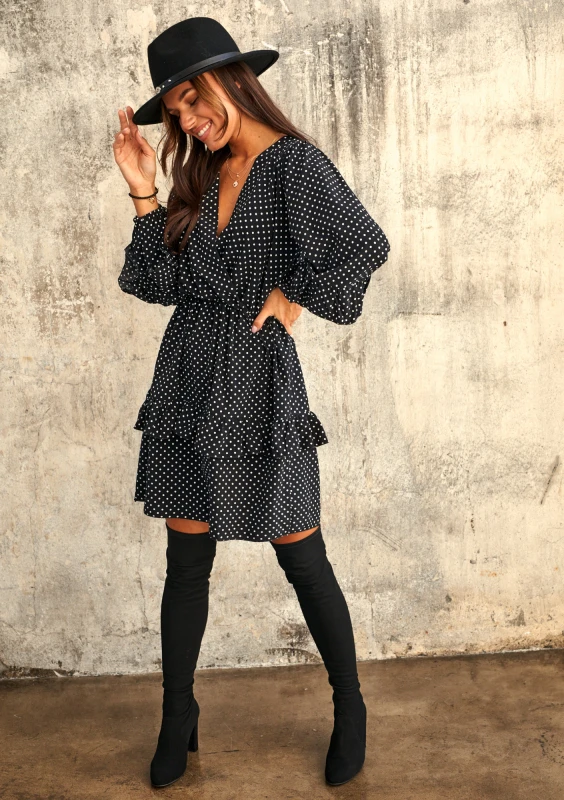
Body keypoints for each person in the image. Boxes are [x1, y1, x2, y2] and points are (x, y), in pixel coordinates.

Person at [112, 16, 390, 791]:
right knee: (186, 564)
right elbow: (155, 283)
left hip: (259, 378)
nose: (187, 123)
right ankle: (177, 715)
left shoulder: (292, 164)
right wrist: (142, 189)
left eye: (192, 101)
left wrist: (293, 293)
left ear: (230, 81)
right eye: (175, 114)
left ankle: (351, 706)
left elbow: (363, 246)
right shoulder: (205, 172)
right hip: (187, 376)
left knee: (302, 555)